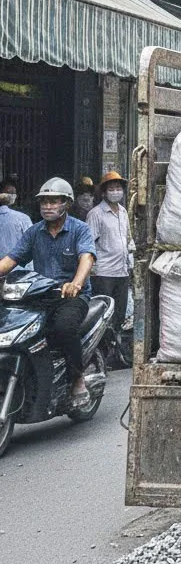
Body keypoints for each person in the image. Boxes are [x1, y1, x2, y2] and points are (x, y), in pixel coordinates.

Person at [0, 178, 96, 406]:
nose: (47, 206)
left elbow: (87, 258)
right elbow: (11, 260)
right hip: (41, 296)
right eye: (44, 202)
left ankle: (77, 378)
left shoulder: (80, 230)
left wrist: (76, 283)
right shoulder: (34, 232)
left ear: (67, 204)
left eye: (54, 202)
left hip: (72, 297)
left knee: (63, 328)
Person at [86, 171, 133, 344]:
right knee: (104, 314)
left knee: (119, 314)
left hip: (122, 271)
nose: (116, 192)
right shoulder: (96, 214)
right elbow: (88, 244)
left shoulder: (123, 212)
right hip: (103, 273)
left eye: (118, 188)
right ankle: (102, 349)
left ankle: (115, 349)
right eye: (111, 188)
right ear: (104, 192)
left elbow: (128, 238)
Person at [0, 178, 31, 257]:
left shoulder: (23, 217)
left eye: (13, 193)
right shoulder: (23, 218)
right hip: (19, 266)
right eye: (8, 193)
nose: (11, 196)